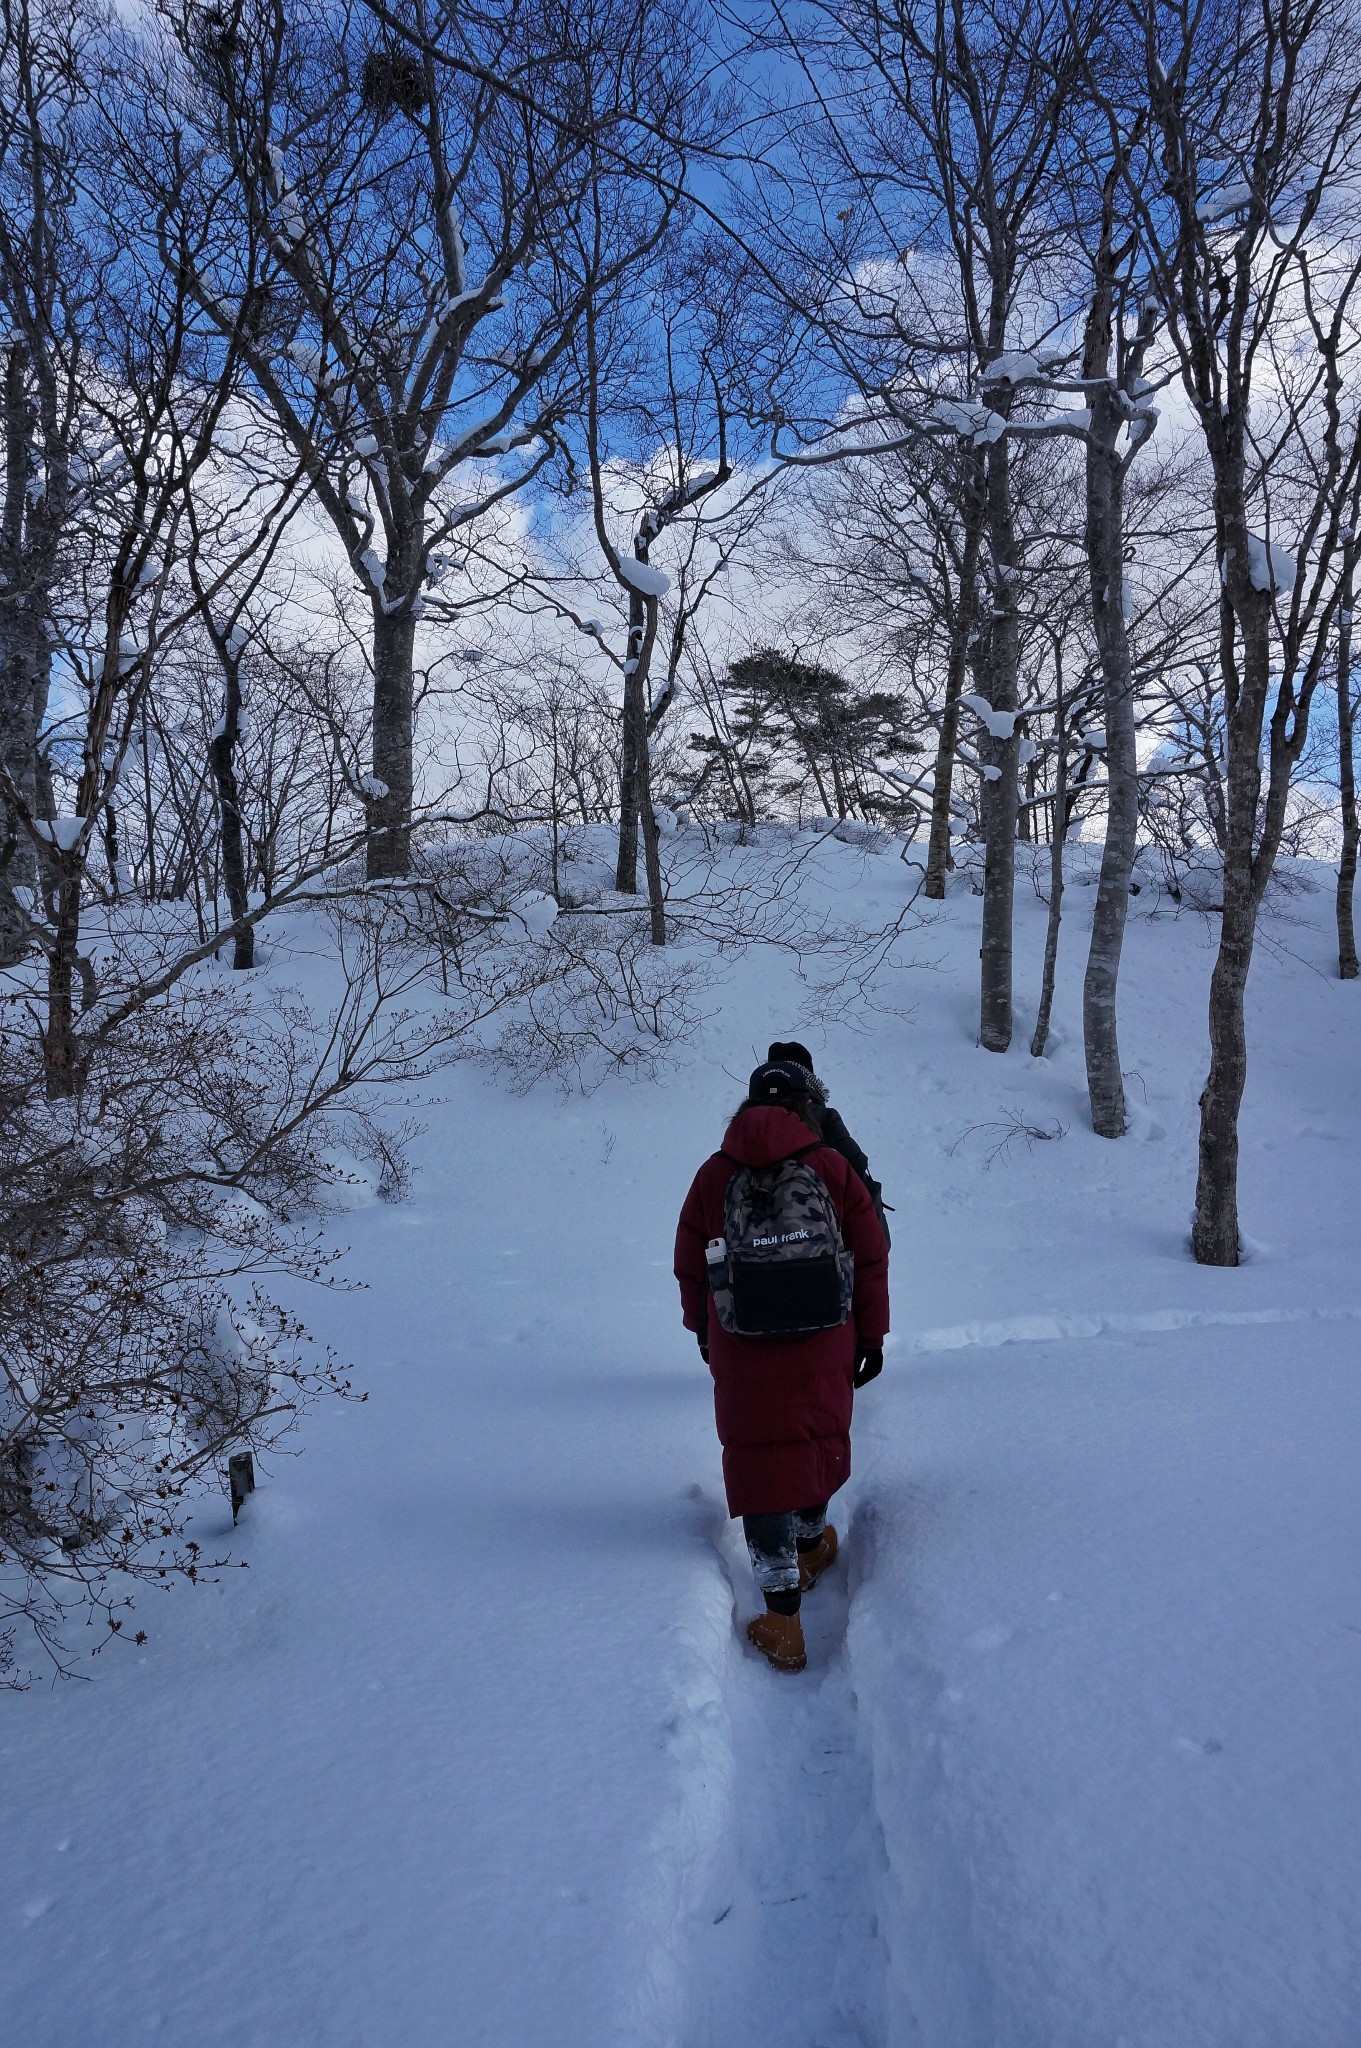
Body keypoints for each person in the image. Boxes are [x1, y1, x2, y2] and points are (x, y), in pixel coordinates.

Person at [674, 1060, 890, 1673]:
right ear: (808, 1104)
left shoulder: (714, 1175)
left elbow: (690, 1263)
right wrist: (870, 1335)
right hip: (826, 1335)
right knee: (814, 1432)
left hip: (741, 1339)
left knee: (759, 1456)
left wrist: (704, 1332)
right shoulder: (831, 1167)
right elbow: (870, 1258)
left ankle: (782, 1621)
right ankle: (811, 1541)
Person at [767, 1041, 890, 1247]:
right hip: (825, 1270)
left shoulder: (748, 1129)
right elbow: (875, 1239)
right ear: (811, 1080)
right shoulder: (826, 1122)